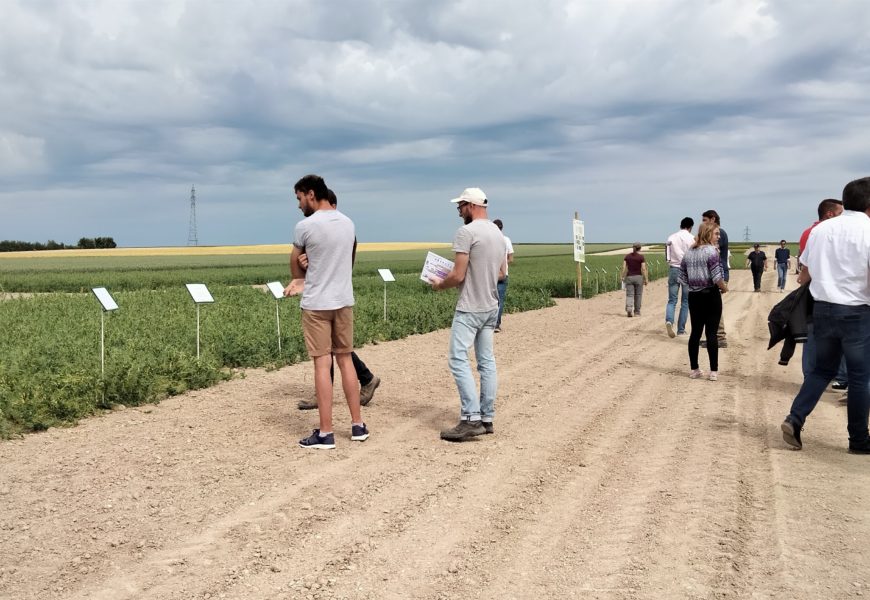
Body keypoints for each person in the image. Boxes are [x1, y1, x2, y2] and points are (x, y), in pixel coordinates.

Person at [781, 177, 870, 454]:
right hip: (857, 310)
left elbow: (804, 272)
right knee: (860, 377)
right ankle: (858, 439)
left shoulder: (821, 230)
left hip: (823, 309)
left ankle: (795, 418)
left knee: (822, 370)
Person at [284, 174, 368, 449]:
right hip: (343, 301)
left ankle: (326, 432)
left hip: (317, 304)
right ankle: (357, 425)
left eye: (299, 198)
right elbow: (348, 263)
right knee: (345, 360)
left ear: (310, 194)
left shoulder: (305, 226)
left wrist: (304, 269)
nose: (298, 205)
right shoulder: (348, 223)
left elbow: (295, 267)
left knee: (322, 363)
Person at [292, 190, 381, 411]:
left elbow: (340, 260)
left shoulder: (339, 228)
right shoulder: (343, 226)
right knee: (336, 350)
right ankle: (361, 388)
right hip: (338, 296)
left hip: (328, 298)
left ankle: (345, 388)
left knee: (332, 352)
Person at [429, 187, 505, 441]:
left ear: (470, 205)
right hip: (491, 305)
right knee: (487, 362)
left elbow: (458, 275)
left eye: (460, 207)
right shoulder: (496, 232)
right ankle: (487, 417)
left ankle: (470, 417)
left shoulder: (466, 232)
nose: (459, 212)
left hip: (470, 306)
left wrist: (440, 284)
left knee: (457, 358)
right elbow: (502, 272)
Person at [798, 199, 847, 387]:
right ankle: (841, 378)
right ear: (830, 214)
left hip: (812, 290)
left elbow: (806, 267)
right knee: (843, 337)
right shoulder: (832, 232)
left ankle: (810, 377)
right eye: (841, 213)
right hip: (835, 291)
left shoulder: (807, 233)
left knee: (812, 336)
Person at [679, 222, 728, 381]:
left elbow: (683, 278)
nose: (718, 236)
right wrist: (724, 288)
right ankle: (713, 371)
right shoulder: (712, 252)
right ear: (708, 234)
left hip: (694, 296)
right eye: (716, 234)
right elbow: (717, 277)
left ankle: (694, 369)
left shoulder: (689, 253)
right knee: (711, 333)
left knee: (695, 332)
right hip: (711, 295)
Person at [701, 210, 729, 347]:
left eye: (705, 220)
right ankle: (713, 336)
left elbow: (714, 253)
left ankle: (720, 337)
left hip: (718, 274)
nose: (703, 223)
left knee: (714, 308)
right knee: (711, 307)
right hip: (715, 274)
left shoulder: (719, 233)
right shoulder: (719, 232)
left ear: (712, 219)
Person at [665, 217, 695, 337]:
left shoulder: (671, 237)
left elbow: (667, 256)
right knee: (685, 301)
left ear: (680, 225)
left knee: (672, 300)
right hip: (687, 270)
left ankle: (669, 321)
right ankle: (681, 329)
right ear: (690, 227)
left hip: (673, 269)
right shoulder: (692, 238)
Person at [492, 218, 514, 332]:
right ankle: (496, 324)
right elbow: (511, 258)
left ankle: (492, 324)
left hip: (492, 274)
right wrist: (504, 264)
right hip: (503, 274)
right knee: (499, 300)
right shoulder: (506, 240)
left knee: (491, 299)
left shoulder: (490, 240)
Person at [621, 243, 648, 317]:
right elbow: (643, 268)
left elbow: (623, 267)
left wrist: (622, 276)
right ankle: (637, 312)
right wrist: (646, 279)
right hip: (639, 277)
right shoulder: (641, 257)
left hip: (629, 277)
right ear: (640, 248)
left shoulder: (627, 256)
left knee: (629, 294)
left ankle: (629, 309)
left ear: (633, 248)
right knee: (638, 295)